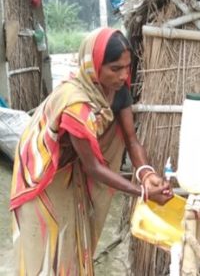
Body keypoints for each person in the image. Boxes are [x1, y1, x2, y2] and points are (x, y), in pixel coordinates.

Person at [10, 27, 173, 275]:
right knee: (46, 245)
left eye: (127, 67)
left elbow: (131, 139)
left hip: (68, 167)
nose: (123, 75)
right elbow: (93, 167)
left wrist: (147, 175)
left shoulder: (118, 90)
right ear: (94, 65)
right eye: (115, 68)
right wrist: (142, 192)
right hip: (41, 173)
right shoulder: (75, 102)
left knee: (73, 236)